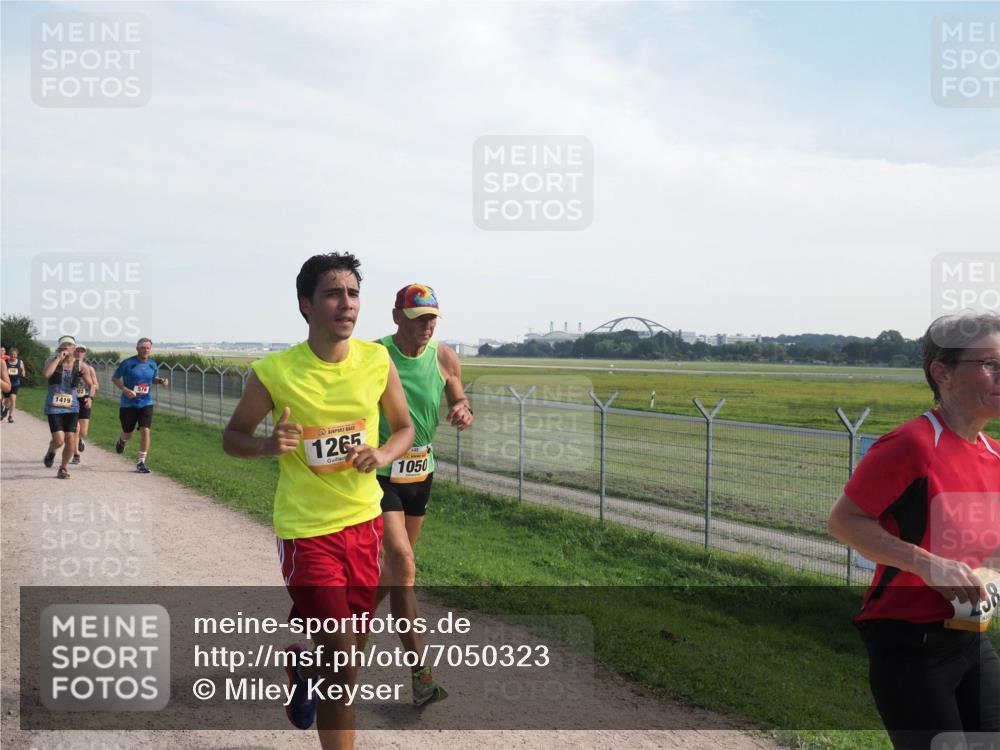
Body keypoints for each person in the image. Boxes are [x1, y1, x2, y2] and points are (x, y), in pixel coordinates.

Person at [223, 252, 414, 750]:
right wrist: (267, 445)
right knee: (341, 656)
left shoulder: (376, 361)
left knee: (345, 660)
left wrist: (382, 452)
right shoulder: (276, 371)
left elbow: (405, 429)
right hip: (308, 533)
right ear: (306, 305)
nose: (345, 303)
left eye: (352, 293)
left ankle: (304, 670)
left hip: (364, 525)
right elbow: (233, 437)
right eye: (332, 293)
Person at [827, 313, 1000, 750]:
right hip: (907, 642)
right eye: (990, 364)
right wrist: (926, 563)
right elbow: (844, 521)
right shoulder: (912, 445)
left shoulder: (994, 454)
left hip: (971, 637)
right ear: (942, 373)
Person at [374, 283, 473, 706]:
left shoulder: (445, 356)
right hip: (378, 474)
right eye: (417, 319)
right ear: (397, 316)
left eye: (432, 318)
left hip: (421, 474)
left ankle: (332, 636)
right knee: (403, 563)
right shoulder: (376, 355)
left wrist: (463, 410)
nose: (426, 327)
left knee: (395, 576)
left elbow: (460, 397)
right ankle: (422, 676)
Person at [112, 337, 169, 474]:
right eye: (142, 348)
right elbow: (115, 378)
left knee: (145, 430)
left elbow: (152, 379)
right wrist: (125, 390)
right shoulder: (128, 363)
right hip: (128, 404)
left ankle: (141, 462)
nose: (145, 350)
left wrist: (161, 381)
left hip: (146, 403)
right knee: (128, 433)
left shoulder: (152, 364)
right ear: (137, 349)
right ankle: (122, 440)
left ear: (150, 349)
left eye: (148, 348)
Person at [41, 335, 84, 479]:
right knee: (59, 440)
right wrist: (58, 358)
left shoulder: (79, 365)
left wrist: (89, 394)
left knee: (70, 438)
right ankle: (52, 450)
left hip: (72, 407)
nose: (66, 348)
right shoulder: (52, 361)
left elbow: (90, 381)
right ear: (59, 348)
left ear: (74, 349)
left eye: (69, 346)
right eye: (63, 346)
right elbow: (46, 375)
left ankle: (63, 468)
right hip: (54, 406)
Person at [71, 345, 99, 464]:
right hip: (71, 400)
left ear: (84, 354)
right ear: (73, 352)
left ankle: (80, 440)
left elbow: (96, 385)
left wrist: (90, 397)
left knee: (83, 432)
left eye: (82, 351)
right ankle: (76, 454)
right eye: (77, 351)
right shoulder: (68, 367)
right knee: (75, 428)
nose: (79, 353)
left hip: (84, 399)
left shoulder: (89, 369)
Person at [3, 346, 25, 422]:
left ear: (17, 355)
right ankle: (6, 409)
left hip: (15, 383)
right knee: (6, 400)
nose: (13, 356)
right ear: (9, 354)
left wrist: (22, 372)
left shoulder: (20, 362)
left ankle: (10, 416)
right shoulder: (5, 362)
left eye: (15, 354)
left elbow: (23, 373)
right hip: (6, 383)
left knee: (13, 399)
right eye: (12, 354)